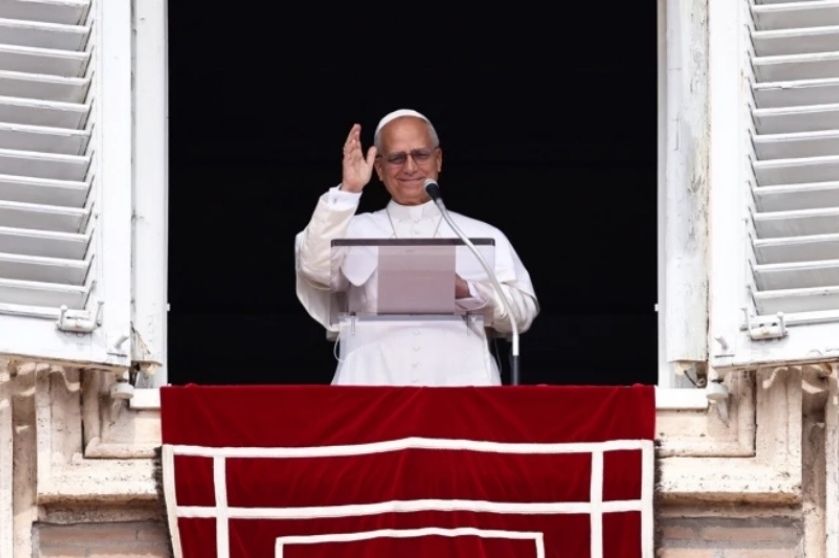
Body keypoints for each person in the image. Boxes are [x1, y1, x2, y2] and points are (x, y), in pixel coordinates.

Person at [295, 108, 539, 386]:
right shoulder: (350, 229)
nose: (410, 168)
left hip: (462, 388)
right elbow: (313, 270)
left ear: (439, 159)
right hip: (369, 385)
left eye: (421, 155)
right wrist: (349, 191)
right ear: (379, 169)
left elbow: (522, 315)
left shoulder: (479, 234)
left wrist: (468, 290)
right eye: (397, 158)